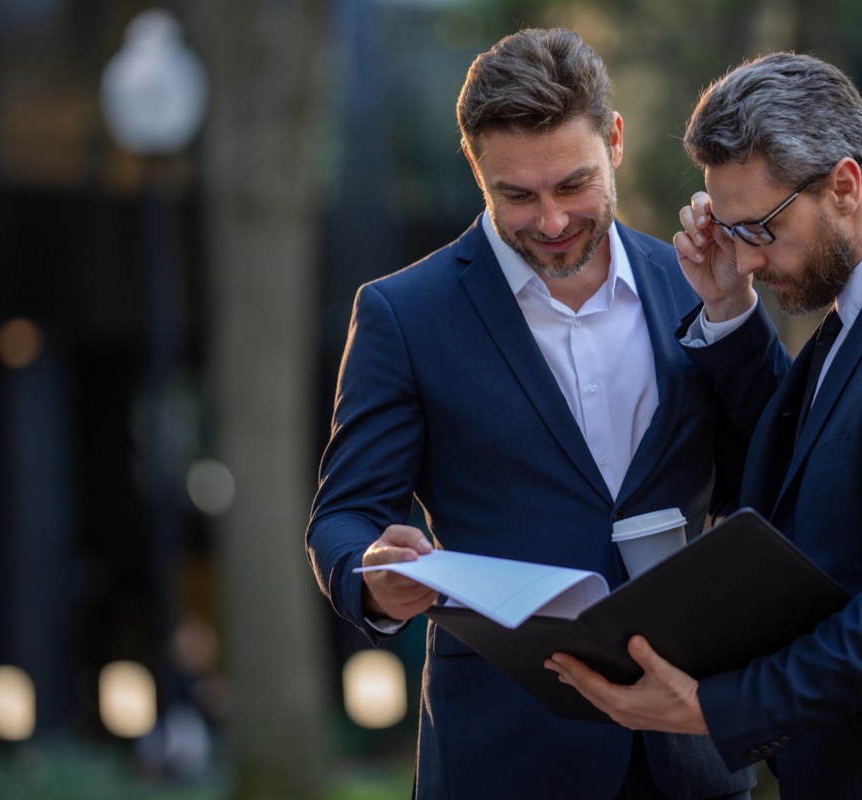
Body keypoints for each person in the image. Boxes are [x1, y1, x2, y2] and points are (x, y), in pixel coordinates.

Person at [546, 52, 862, 799]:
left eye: (759, 228)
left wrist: (711, 709)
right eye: (729, 230)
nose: (749, 259)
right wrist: (726, 307)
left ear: (844, 185)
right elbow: (826, 446)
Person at [306, 28, 783, 800]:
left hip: (689, 745)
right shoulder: (405, 314)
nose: (553, 221)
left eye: (574, 184)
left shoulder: (694, 282)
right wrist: (371, 577)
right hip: (506, 753)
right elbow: (344, 515)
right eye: (517, 195)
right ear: (476, 169)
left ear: (616, 141)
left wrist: (733, 315)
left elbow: (779, 458)